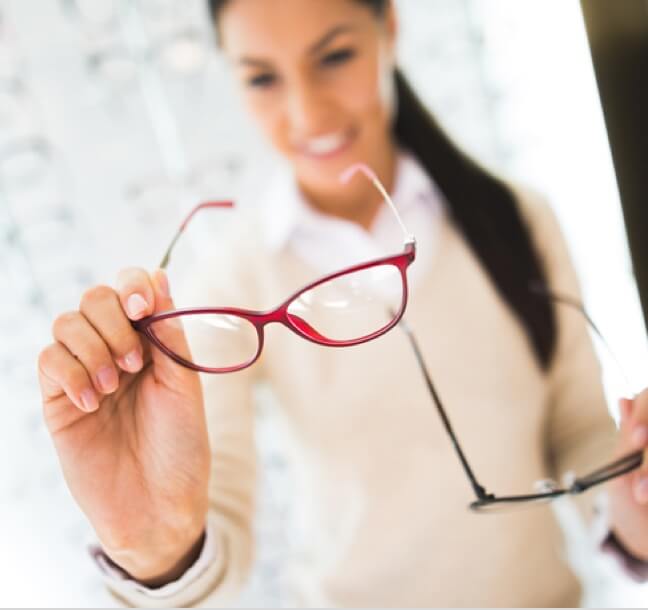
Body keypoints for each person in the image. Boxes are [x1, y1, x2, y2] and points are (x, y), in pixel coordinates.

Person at [37, 0, 648, 606]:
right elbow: (218, 525)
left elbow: (579, 433)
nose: (306, 111)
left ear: (389, 28)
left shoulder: (518, 220)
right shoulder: (233, 284)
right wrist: (152, 543)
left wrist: (632, 500)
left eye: (334, 56)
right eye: (262, 77)